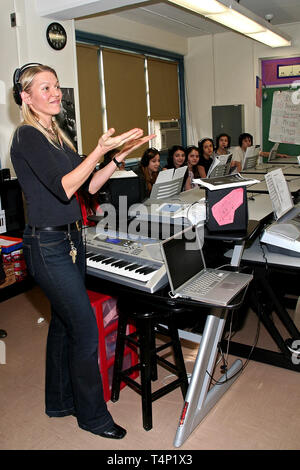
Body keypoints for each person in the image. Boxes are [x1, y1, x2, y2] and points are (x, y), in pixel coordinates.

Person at [10, 63, 154, 439]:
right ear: (25, 97)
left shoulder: (57, 135)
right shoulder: (27, 136)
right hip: (47, 244)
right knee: (85, 332)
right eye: (45, 88)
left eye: (56, 86)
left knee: (63, 324)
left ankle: (59, 401)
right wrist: (98, 150)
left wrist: (117, 157)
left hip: (72, 240)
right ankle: (92, 415)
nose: (55, 93)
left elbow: (88, 185)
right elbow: (62, 188)